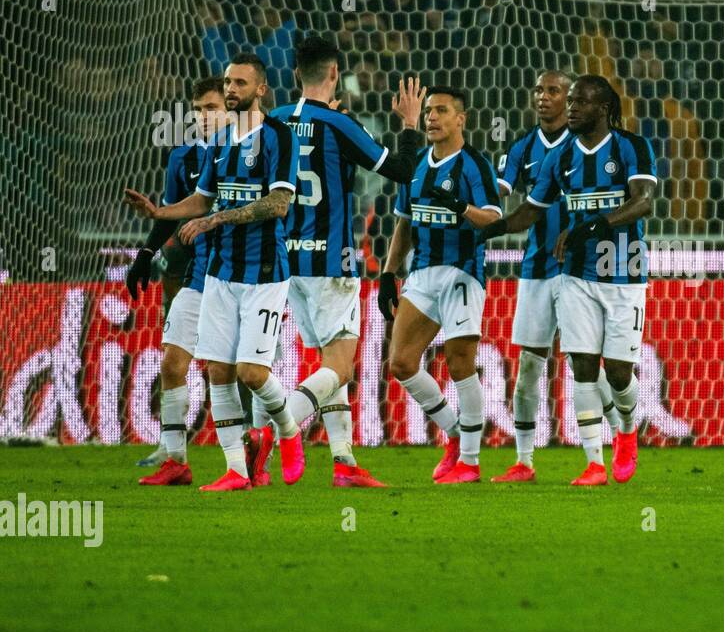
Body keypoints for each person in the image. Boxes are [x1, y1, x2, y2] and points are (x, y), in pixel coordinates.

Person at [123, 53, 305, 492]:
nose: (230, 89)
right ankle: (235, 472)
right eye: (227, 82)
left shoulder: (279, 137)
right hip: (217, 272)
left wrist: (218, 220)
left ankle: (288, 429)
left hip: (263, 272)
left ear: (261, 89)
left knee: (252, 374)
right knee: (217, 372)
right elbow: (202, 201)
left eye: (240, 83)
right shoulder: (220, 143)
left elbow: (278, 204)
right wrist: (159, 212)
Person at [262, 36, 426, 488]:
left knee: (325, 365)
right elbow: (402, 171)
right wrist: (410, 125)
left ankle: (344, 462)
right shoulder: (337, 124)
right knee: (341, 367)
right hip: (333, 263)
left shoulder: (272, 122)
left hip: (288, 265)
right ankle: (274, 430)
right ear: (334, 73)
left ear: (296, 74)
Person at [481, 76, 658, 486]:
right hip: (575, 273)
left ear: (602, 108)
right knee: (582, 365)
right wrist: (488, 230)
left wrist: (594, 225)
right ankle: (594, 463)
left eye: (580, 102)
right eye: (571, 100)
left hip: (624, 273)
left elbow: (643, 201)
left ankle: (628, 429)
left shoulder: (631, 147)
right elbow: (531, 210)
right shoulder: (559, 158)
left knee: (617, 373)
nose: (572, 108)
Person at [380, 86, 502, 484]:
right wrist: (387, 273)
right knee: (400, 362)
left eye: (441, 111)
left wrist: (461, 208)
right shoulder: (415, 163)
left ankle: (470, 462)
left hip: (463, 271)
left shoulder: (474, 165)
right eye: (428, 111)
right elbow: (403, 221)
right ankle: (453, 433)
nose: (431, 117)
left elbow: (494, 220)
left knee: (460, 362)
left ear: (460, 119)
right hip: (423, 272)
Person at [129, 77, 227, 484]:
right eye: (198, 110)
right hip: (197, 272)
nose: (204, 117)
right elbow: (170, 212)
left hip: (243, 276)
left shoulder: (251, 152)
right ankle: (175, 461)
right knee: (172, 363)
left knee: (237, 373)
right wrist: (146, 254)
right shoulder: (182, 158)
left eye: (212, 108)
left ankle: (261, 446)